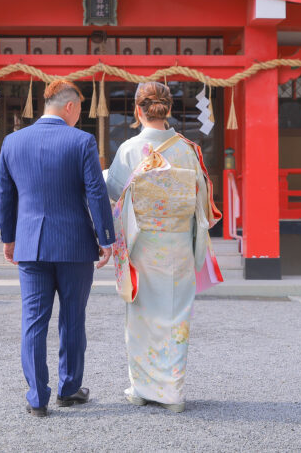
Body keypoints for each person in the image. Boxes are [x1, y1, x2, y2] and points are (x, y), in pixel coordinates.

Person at [0, 79, 115, 418]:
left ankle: (37, 398)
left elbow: (5, 195)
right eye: (80, 109)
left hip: (31, 244)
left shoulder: (12, 142)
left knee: (33, 321)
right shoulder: (81, 141)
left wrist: (9, 239)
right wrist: (106, 238)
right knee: (72, 318)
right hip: (75, 244)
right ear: (70, 107)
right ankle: (69, 388)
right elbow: (95, 191)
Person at [105, 81, 219, 413]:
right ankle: (173, 393)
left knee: (141, 315)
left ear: (138, 110)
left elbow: (114, 192)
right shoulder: (188, 148)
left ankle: (142, 388)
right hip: (179, 243)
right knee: (176, 316)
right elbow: (202, 198)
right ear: (168, 110)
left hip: (144, 243)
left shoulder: (129, 148)